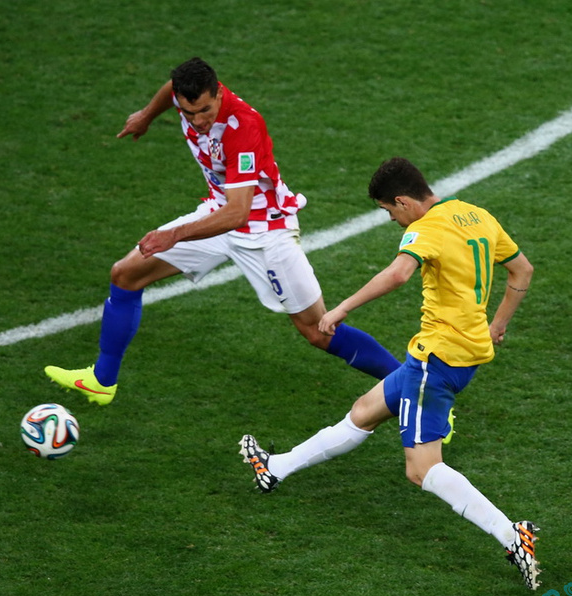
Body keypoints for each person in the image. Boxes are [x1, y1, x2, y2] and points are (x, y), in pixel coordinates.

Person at [239, 157, 541, 590]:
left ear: (403, 201)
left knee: (421, 470)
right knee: (364, 411)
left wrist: (341, 309)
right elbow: (522, 269)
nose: (392, 220)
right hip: (467, 353)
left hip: (435, 359)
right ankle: (276, 468)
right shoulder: (477, 215)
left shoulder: (427, 228)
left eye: (388, 211)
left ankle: (512, 535)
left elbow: (399, 274)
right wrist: (498, 324)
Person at [45, 58, 400, 405]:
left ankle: (413, 386)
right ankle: (102, 380)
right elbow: (170, 88)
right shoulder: (187, 95)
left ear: (218, 93)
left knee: (318, 330)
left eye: (205, 110)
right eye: (190, 113)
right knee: (125, 274)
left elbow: (238, 212)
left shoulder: (242, 127)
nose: (199, 120)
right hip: (218, 214)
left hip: (265, 231)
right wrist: (146, 116)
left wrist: (173, 235)